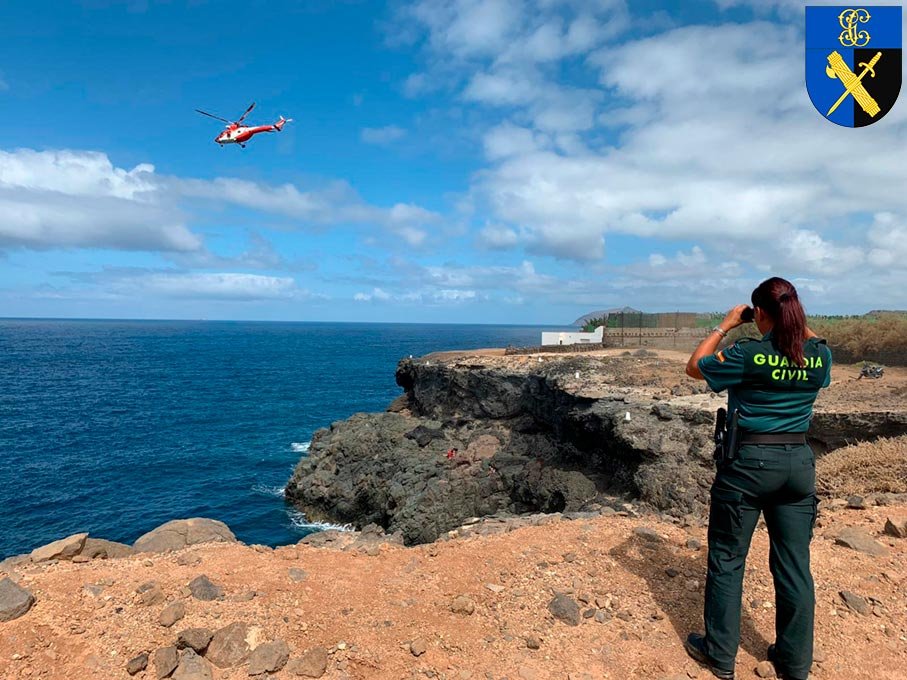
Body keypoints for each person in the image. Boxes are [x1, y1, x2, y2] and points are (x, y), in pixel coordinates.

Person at [682, 277, 832, 680]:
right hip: (798, 466)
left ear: (759, 314)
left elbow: (695, 367)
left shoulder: (748, 353)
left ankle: (720, 654)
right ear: (796, 313)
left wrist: (725, 325)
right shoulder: (818, 355)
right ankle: (795, 663)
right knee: (794, 565)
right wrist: (791, 319)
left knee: (728, 560)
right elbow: (812, 341)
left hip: (748, 465)